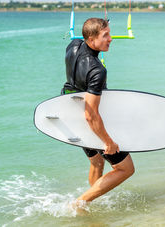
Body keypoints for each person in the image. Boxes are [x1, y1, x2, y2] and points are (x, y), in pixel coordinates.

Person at [62, 18, 135, 210]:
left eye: (109, 34)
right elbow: (91, 114)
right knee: (126, 169)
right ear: (91, 38)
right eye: (105, 35)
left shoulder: (73, 45)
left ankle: (91, 202)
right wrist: (108, 142)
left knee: (96, 162)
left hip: (71, 112)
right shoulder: (96, 70)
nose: (111, 39)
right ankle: (79, 203)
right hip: (91, 123)